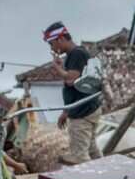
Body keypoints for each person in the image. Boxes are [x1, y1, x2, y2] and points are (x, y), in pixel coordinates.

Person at [42, 22, 102, 165]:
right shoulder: (74, 55)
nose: (52, 48)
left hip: (82, 112)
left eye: (52, 44)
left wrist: (57, 68)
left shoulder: (77, 54)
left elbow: (71, 80)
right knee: (92, 150)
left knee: (79, 157)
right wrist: (66, 111)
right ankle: (106, 176)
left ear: (61, 39)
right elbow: (74, 87)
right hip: (85, 108)